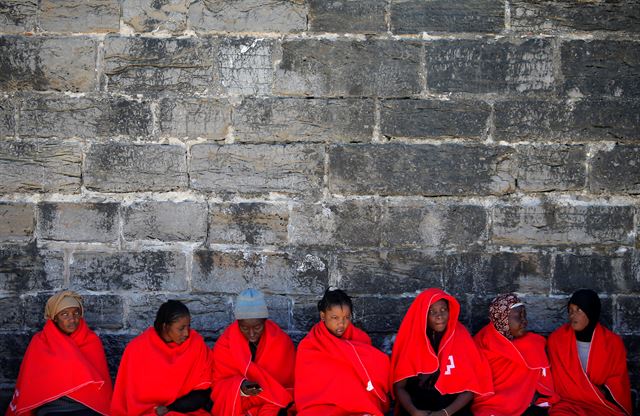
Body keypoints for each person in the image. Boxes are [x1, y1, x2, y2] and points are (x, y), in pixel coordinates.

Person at [6, 290, 112, 416]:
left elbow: (102, 385)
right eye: (64, 314)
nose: (72, 319)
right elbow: (30, 381)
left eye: (76, 313)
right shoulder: (41, 342)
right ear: (55, 318)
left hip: (87, 407)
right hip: (52, 409)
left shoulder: (91, 340)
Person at [390, 288, 493, 416]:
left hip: (453, 408)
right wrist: (414, 411)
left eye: (443, 310)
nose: (439, 316)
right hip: (418, 408)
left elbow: (470, 388)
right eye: (432, 312)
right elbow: (400, 386)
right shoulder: (412, 340)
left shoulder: (460, 336)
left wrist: (444, 413)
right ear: (423, 314)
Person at [295, 288, 390, 416]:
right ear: (323, 316)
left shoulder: (360, 338)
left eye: (346, 317)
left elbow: (373, 372)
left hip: (358, 405)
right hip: (322, 407)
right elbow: (308, 388)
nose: (341, 323)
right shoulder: (309, 346)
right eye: (335, 317)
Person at [111, 300, 213, 416]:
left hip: (184, 410)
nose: (186, 333)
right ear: (165, 326)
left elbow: (203, 393)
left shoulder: (196, 344)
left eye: (188, 327)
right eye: (181, 328)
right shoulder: (137, 349)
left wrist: (169, 408)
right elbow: (127, 398)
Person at [211, 288, 295, 416]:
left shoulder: (281, 342)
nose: (251, 334)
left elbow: (288, 387)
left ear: (265, 322)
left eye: (257, 327)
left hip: (273, 402)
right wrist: (241, 387)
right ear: (237, 323)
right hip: (240, 402)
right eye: (244, 328)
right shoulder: (225, 344)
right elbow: (218, 386)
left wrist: (267, 392)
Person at [547, 289, 632, 416]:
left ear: (591, 312)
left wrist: (599, 392)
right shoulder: (557, 340)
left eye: (578, 310)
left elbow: (618, 381)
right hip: (568, 405)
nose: (572, 315)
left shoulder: (612, 343)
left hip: (601, 406)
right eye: (570, 310)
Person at [472, 293, 558, 416]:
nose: (524, 321)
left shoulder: (533, 344)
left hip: (524, 406)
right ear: (503, 318)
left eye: (525, 315)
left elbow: (543, 387)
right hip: (490, 407)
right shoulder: (482, 342)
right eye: (519, 316)